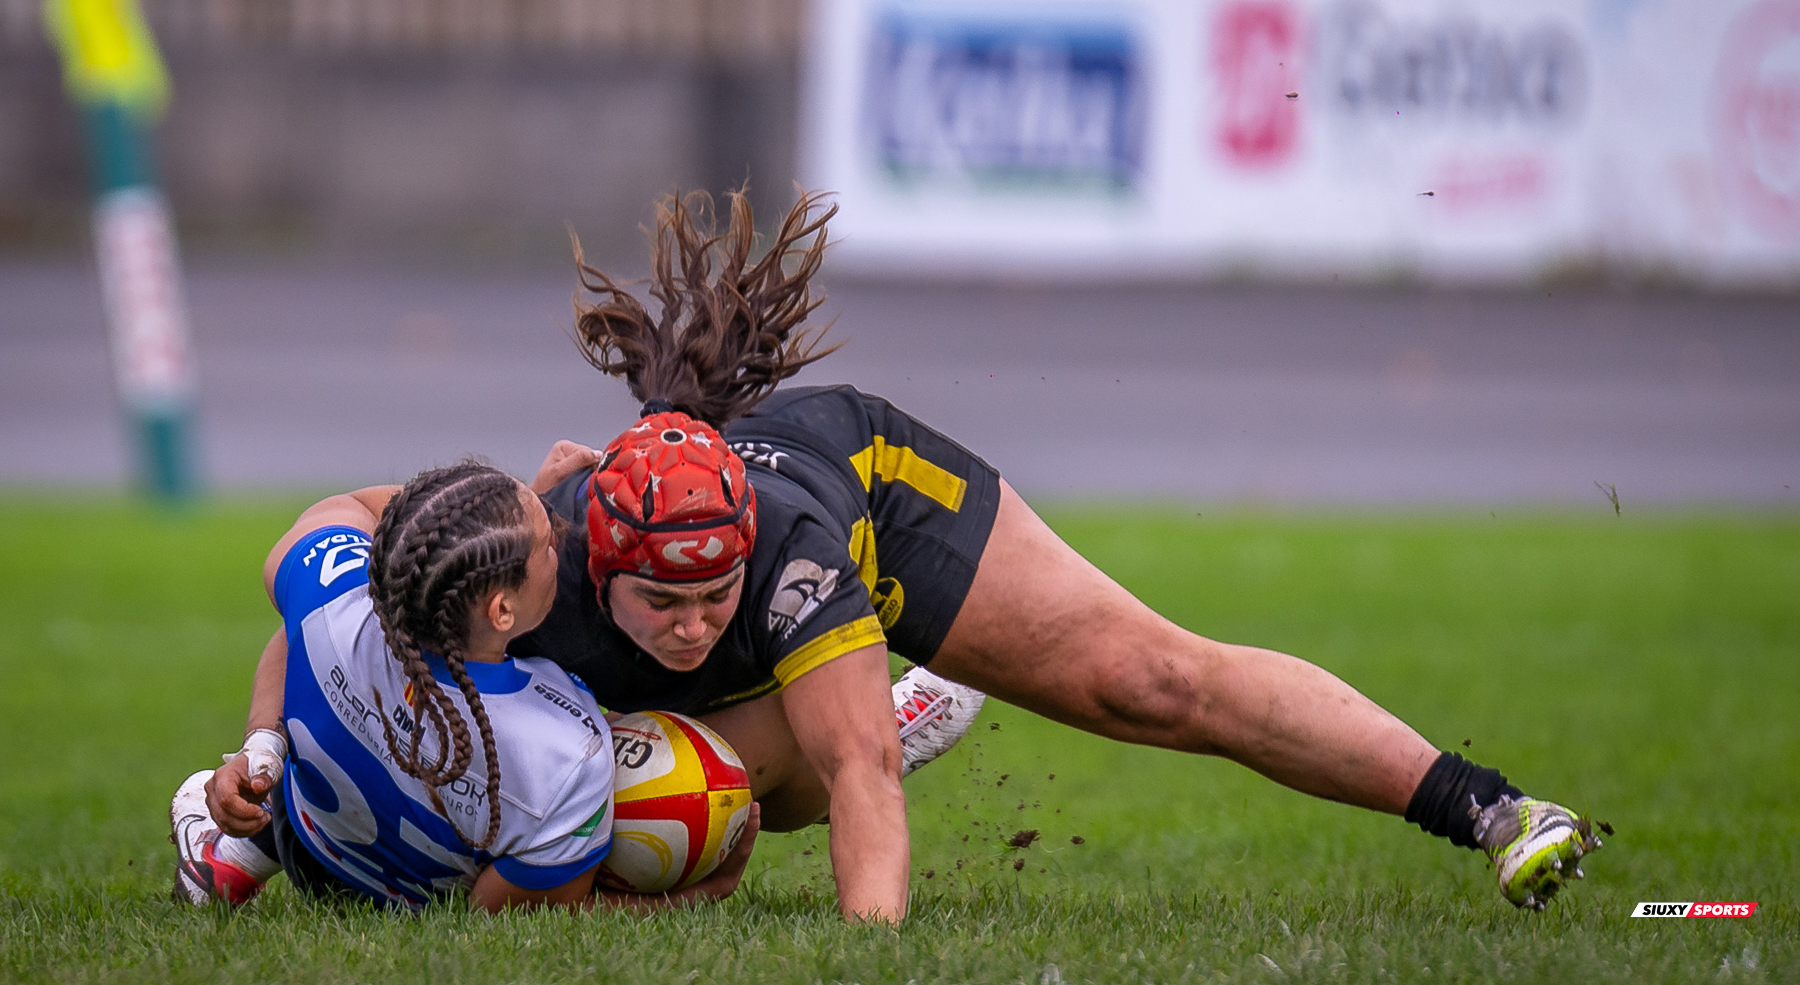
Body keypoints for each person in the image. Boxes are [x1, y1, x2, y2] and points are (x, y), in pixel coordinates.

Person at [506, 191, 1600, 924]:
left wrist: (867, 952)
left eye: (713, 595)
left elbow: (861, 780)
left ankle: (1491, 808)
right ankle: (879, 705)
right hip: (696, 594)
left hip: (881, 496)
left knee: (1150, 682)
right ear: (598, 566)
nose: (693, 621)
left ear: (746, 557)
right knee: (700, 797)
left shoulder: (795, 561)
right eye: (663, 601)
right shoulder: (532, 563)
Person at [171, 461, 759, 912]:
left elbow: (347, 508)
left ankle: (233, 856)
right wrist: (697, 894)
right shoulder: (571, 755)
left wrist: (261, 745)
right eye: (547, 542)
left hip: (309, 842)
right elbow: (509, 912)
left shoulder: (340, 604)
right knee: (554, 841)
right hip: (396, 899)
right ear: (501, 611)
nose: (560, 534)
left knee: (301, 625)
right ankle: (234, 855)